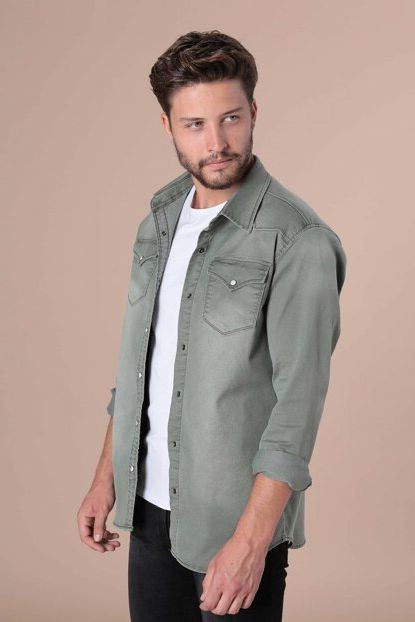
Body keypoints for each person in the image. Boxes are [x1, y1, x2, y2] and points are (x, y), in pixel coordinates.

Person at [77, 30, 347, 621]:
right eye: (195, 124)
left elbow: (298, 408)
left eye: (230, 118)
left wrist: (250, 542)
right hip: (149, 514)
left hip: (233, 526)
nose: (217, 142)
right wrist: (106, 478)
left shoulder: (298, 240)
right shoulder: (158, 224)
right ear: (168, 127)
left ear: (253, 112)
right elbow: (141, 366)